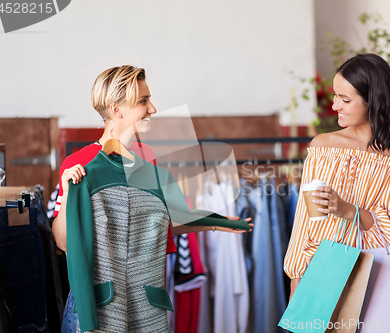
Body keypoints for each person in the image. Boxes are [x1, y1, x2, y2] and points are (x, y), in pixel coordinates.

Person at [52, 65, 252, 332]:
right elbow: (64, 241)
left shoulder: (147, 160)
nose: (152, 109)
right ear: (117, 109)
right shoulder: (79, 164)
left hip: (144, 306)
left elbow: (170, 219)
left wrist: (217, 222)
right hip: (96, 305)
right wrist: (68, 194)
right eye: (143, 101)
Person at [284, 53, 390, 300]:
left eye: (345, 99)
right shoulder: (323, 146)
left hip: (378, 277)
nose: (335, 105)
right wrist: (297, 276)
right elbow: (305, 221)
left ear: (373, 101)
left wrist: (349, 211)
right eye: (335, 96)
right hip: (320, 272)